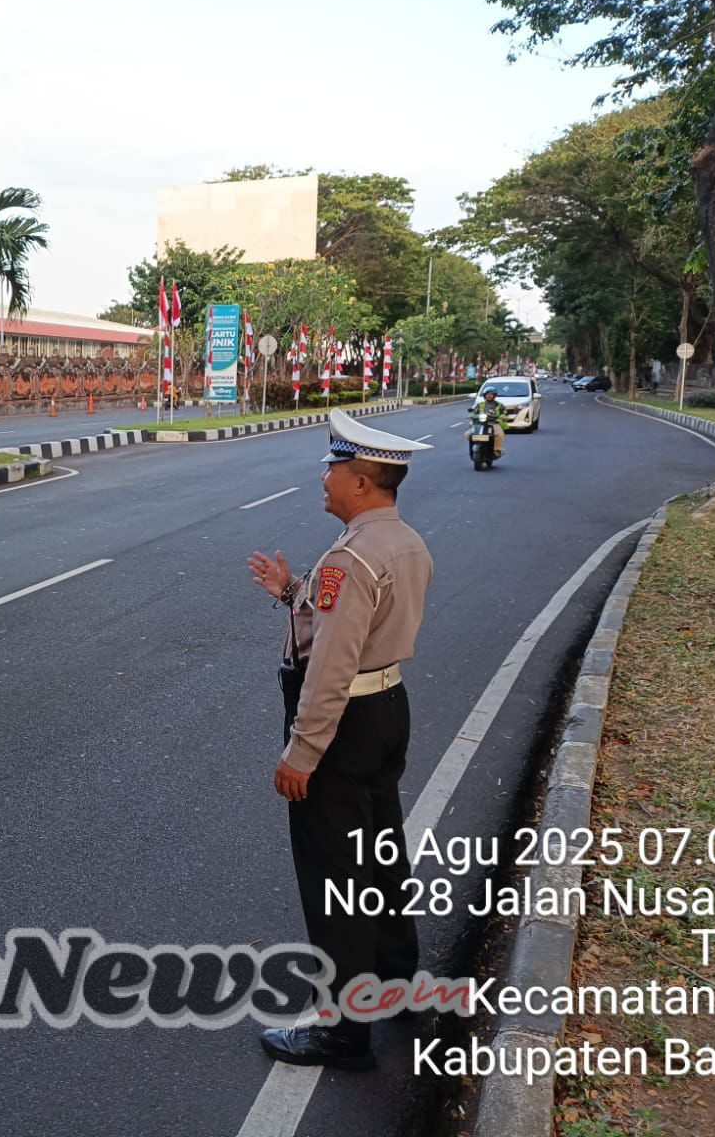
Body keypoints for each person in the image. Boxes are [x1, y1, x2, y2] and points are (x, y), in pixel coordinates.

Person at [246, 409, 434, 1070]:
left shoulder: (350, 558)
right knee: (381, 858)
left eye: (333, 467)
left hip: (344, 723)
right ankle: (399, 983)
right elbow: (357, 626)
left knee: (335, 877)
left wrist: (302, 752)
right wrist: (291, 592)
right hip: (387, 709)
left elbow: (330, 665)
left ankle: (342, 1031)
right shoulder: (403, 542)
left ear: (361, 482)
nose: (322, 477)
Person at [470, 386, 506, 459]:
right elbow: (473, 413)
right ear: (485, 395)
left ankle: (497, 450)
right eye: (487, 394)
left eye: (491, 394)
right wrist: (472, 416)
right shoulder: (480, 404)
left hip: (493, 423)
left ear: (494, 395)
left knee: (499, 434)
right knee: (468, 434)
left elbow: (503, 414)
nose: (489, 396)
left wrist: (501, 417)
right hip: (480, 424)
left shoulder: (499, 405)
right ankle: (474, 446)